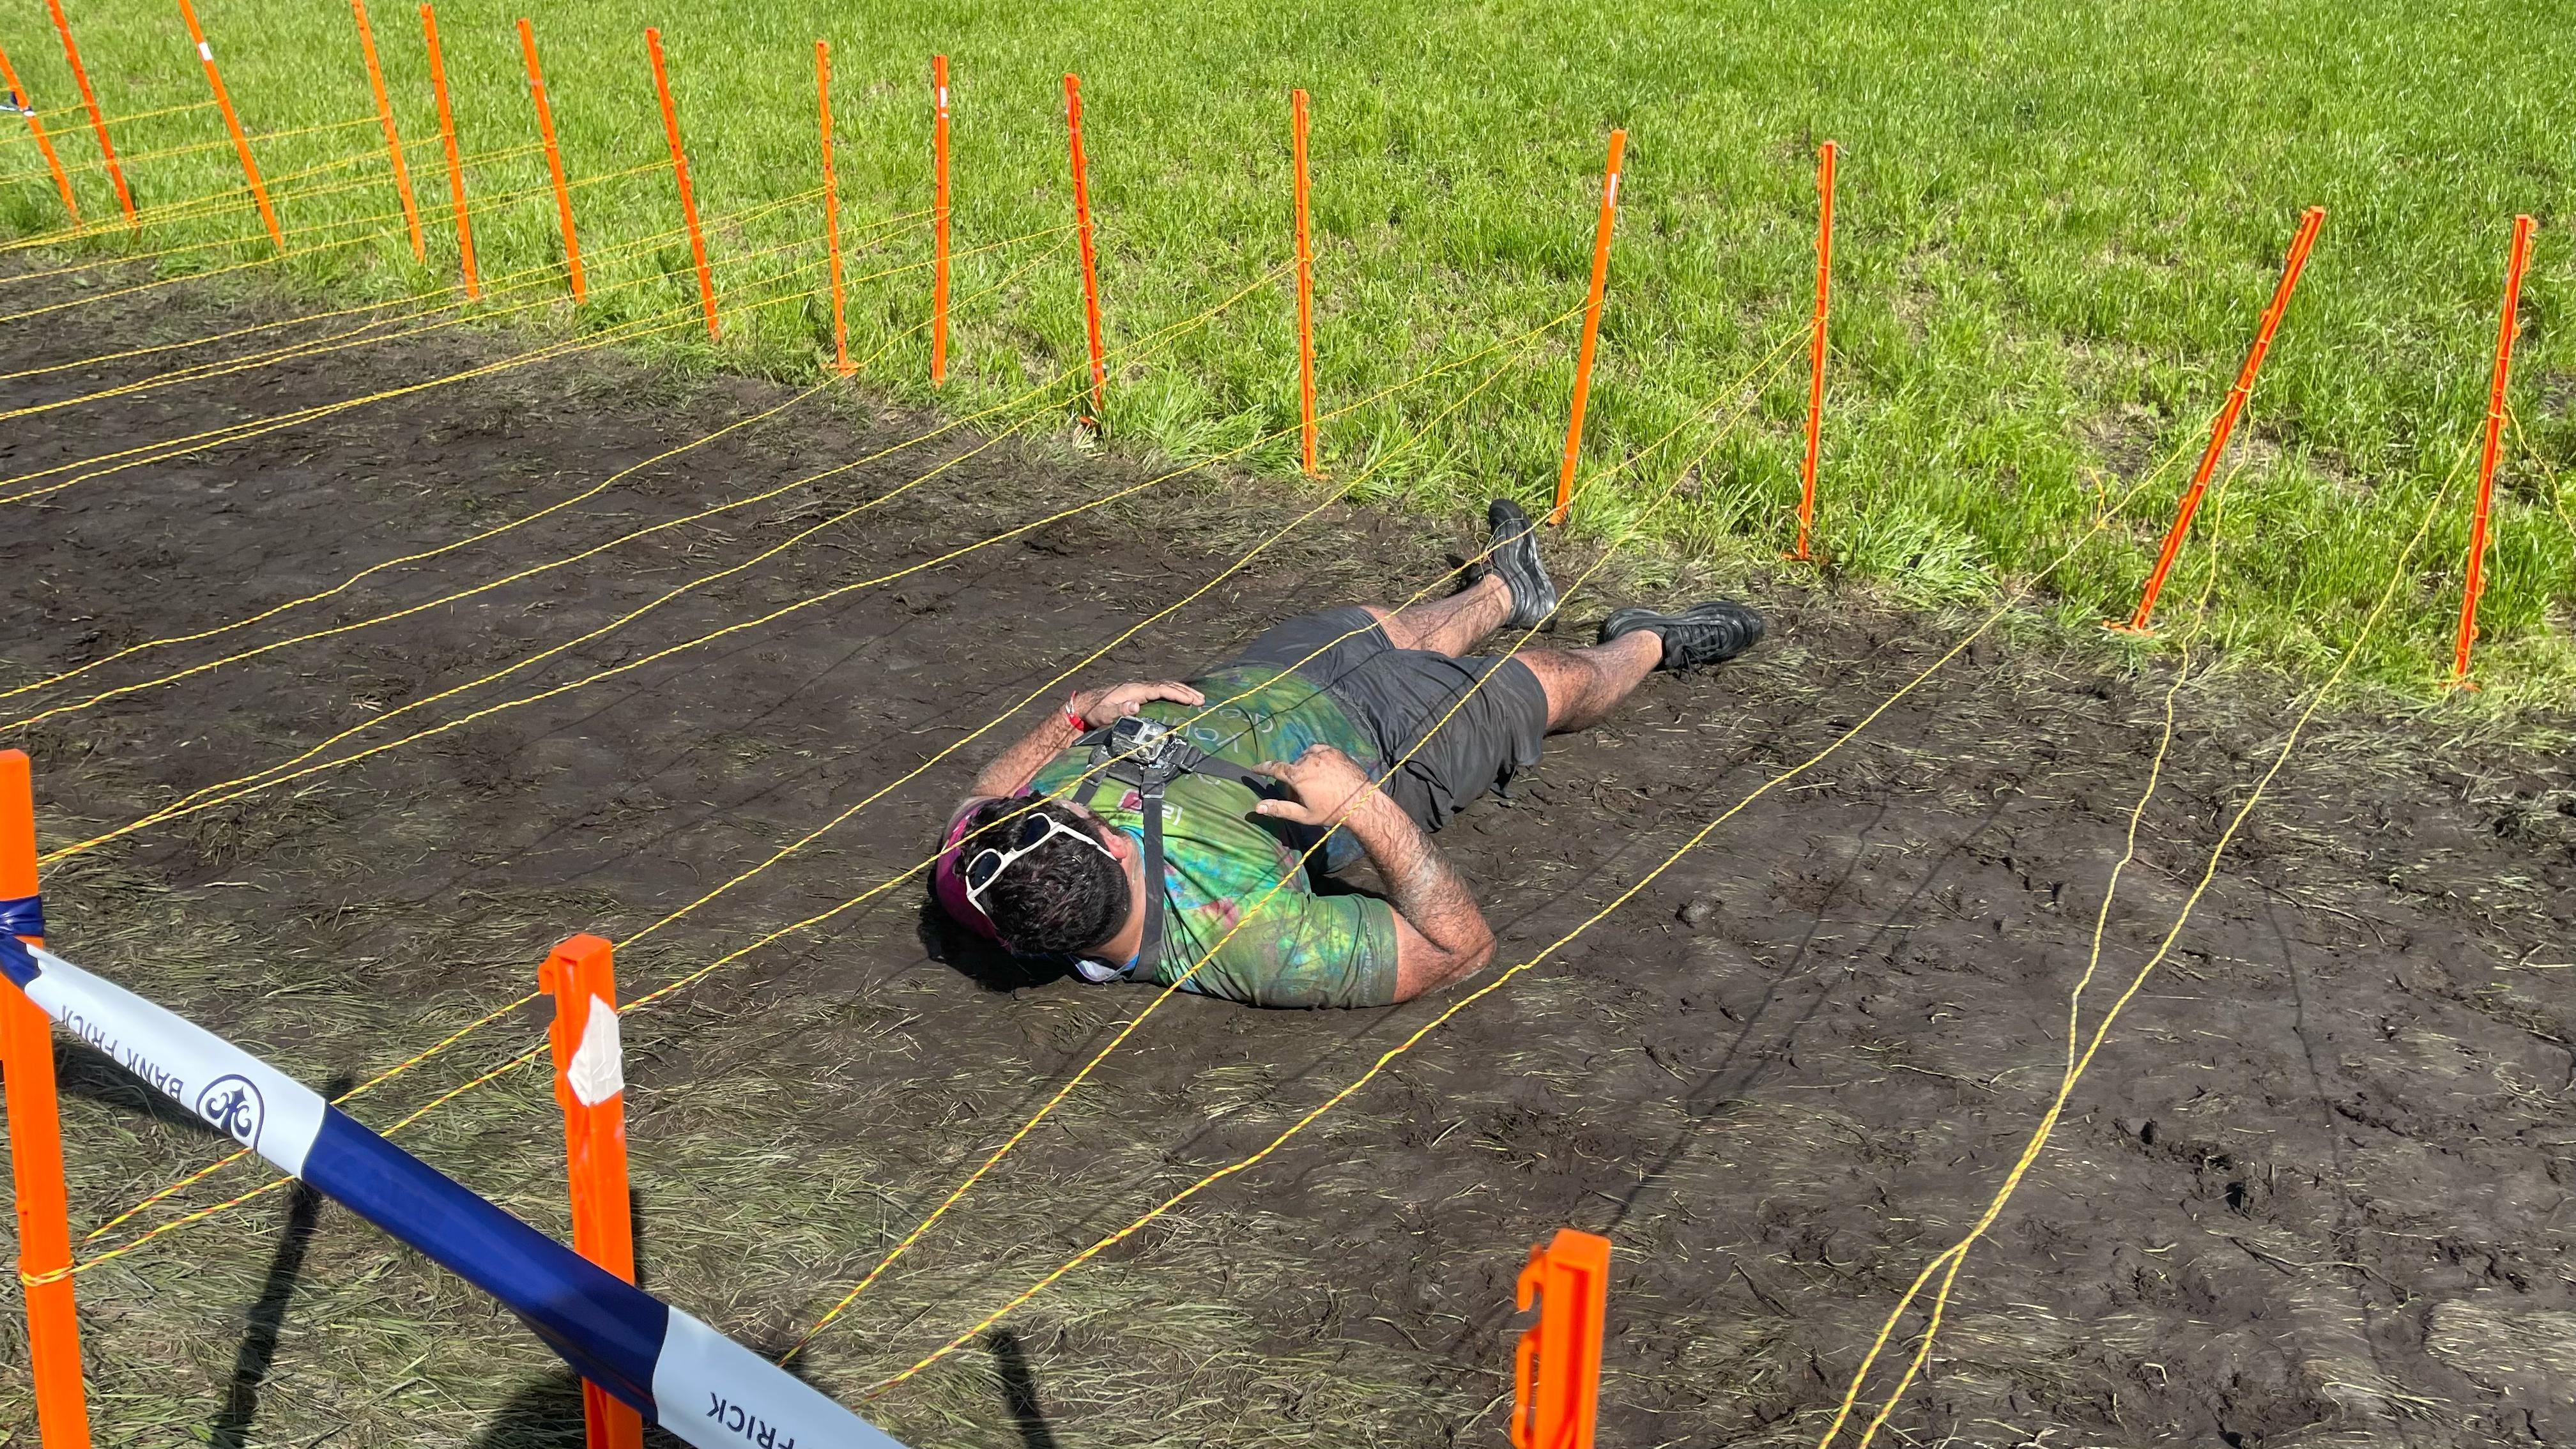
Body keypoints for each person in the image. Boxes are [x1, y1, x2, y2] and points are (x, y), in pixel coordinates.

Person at [931, 500, 1764, 1008]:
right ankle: (1651, 641)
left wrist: (1077, 716)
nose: (1050, 796)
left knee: (1387, 624)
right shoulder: (1252, 943)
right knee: (1547, 682)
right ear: (1114, 846)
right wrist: (1363, 806)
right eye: (1067, 807)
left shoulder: (986, 877)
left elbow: (978, 802)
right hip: (1383, 745)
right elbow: (1461, 951)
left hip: (1263, 681)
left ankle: (1508, 589)